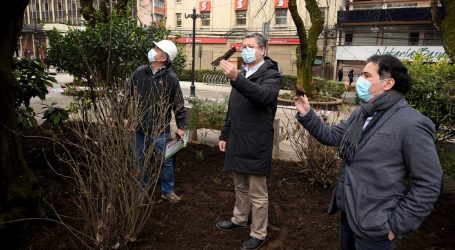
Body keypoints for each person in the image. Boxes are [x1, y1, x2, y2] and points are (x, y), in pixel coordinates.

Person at [294, 55, 442, 249]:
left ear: (387, 83)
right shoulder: (362, 113)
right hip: (349, 213)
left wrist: (397, 225)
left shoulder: (411, 123)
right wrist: (307, 112)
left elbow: (429, 183)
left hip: (377, 226)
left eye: (366, 75)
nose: (359, 81)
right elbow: (331, 136)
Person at [215, 32, 282, 250]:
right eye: (243, 46)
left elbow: (262, 96)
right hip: (237, 140)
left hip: (256, 143)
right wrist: (225, 134)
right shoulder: (242, 72)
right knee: (240, 187)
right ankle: (239, 218)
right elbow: (232, 109)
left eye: (251, 46)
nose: (245, 49)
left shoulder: (272, 75)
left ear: (262, 50)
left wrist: (237, 78)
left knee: (257, 193)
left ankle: (259, 233)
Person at [126, 40, 186, 203]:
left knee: (166, 161)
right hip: (139, 127)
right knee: (140, 159)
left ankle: (167, 191)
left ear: (163, 57)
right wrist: (119, 115)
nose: (153, 50)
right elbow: (126, 94)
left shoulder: (171, 78)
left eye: (157, 48)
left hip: (160, 130)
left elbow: (178, 104)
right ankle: (142, 189)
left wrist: (181, 127)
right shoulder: (139, 72)